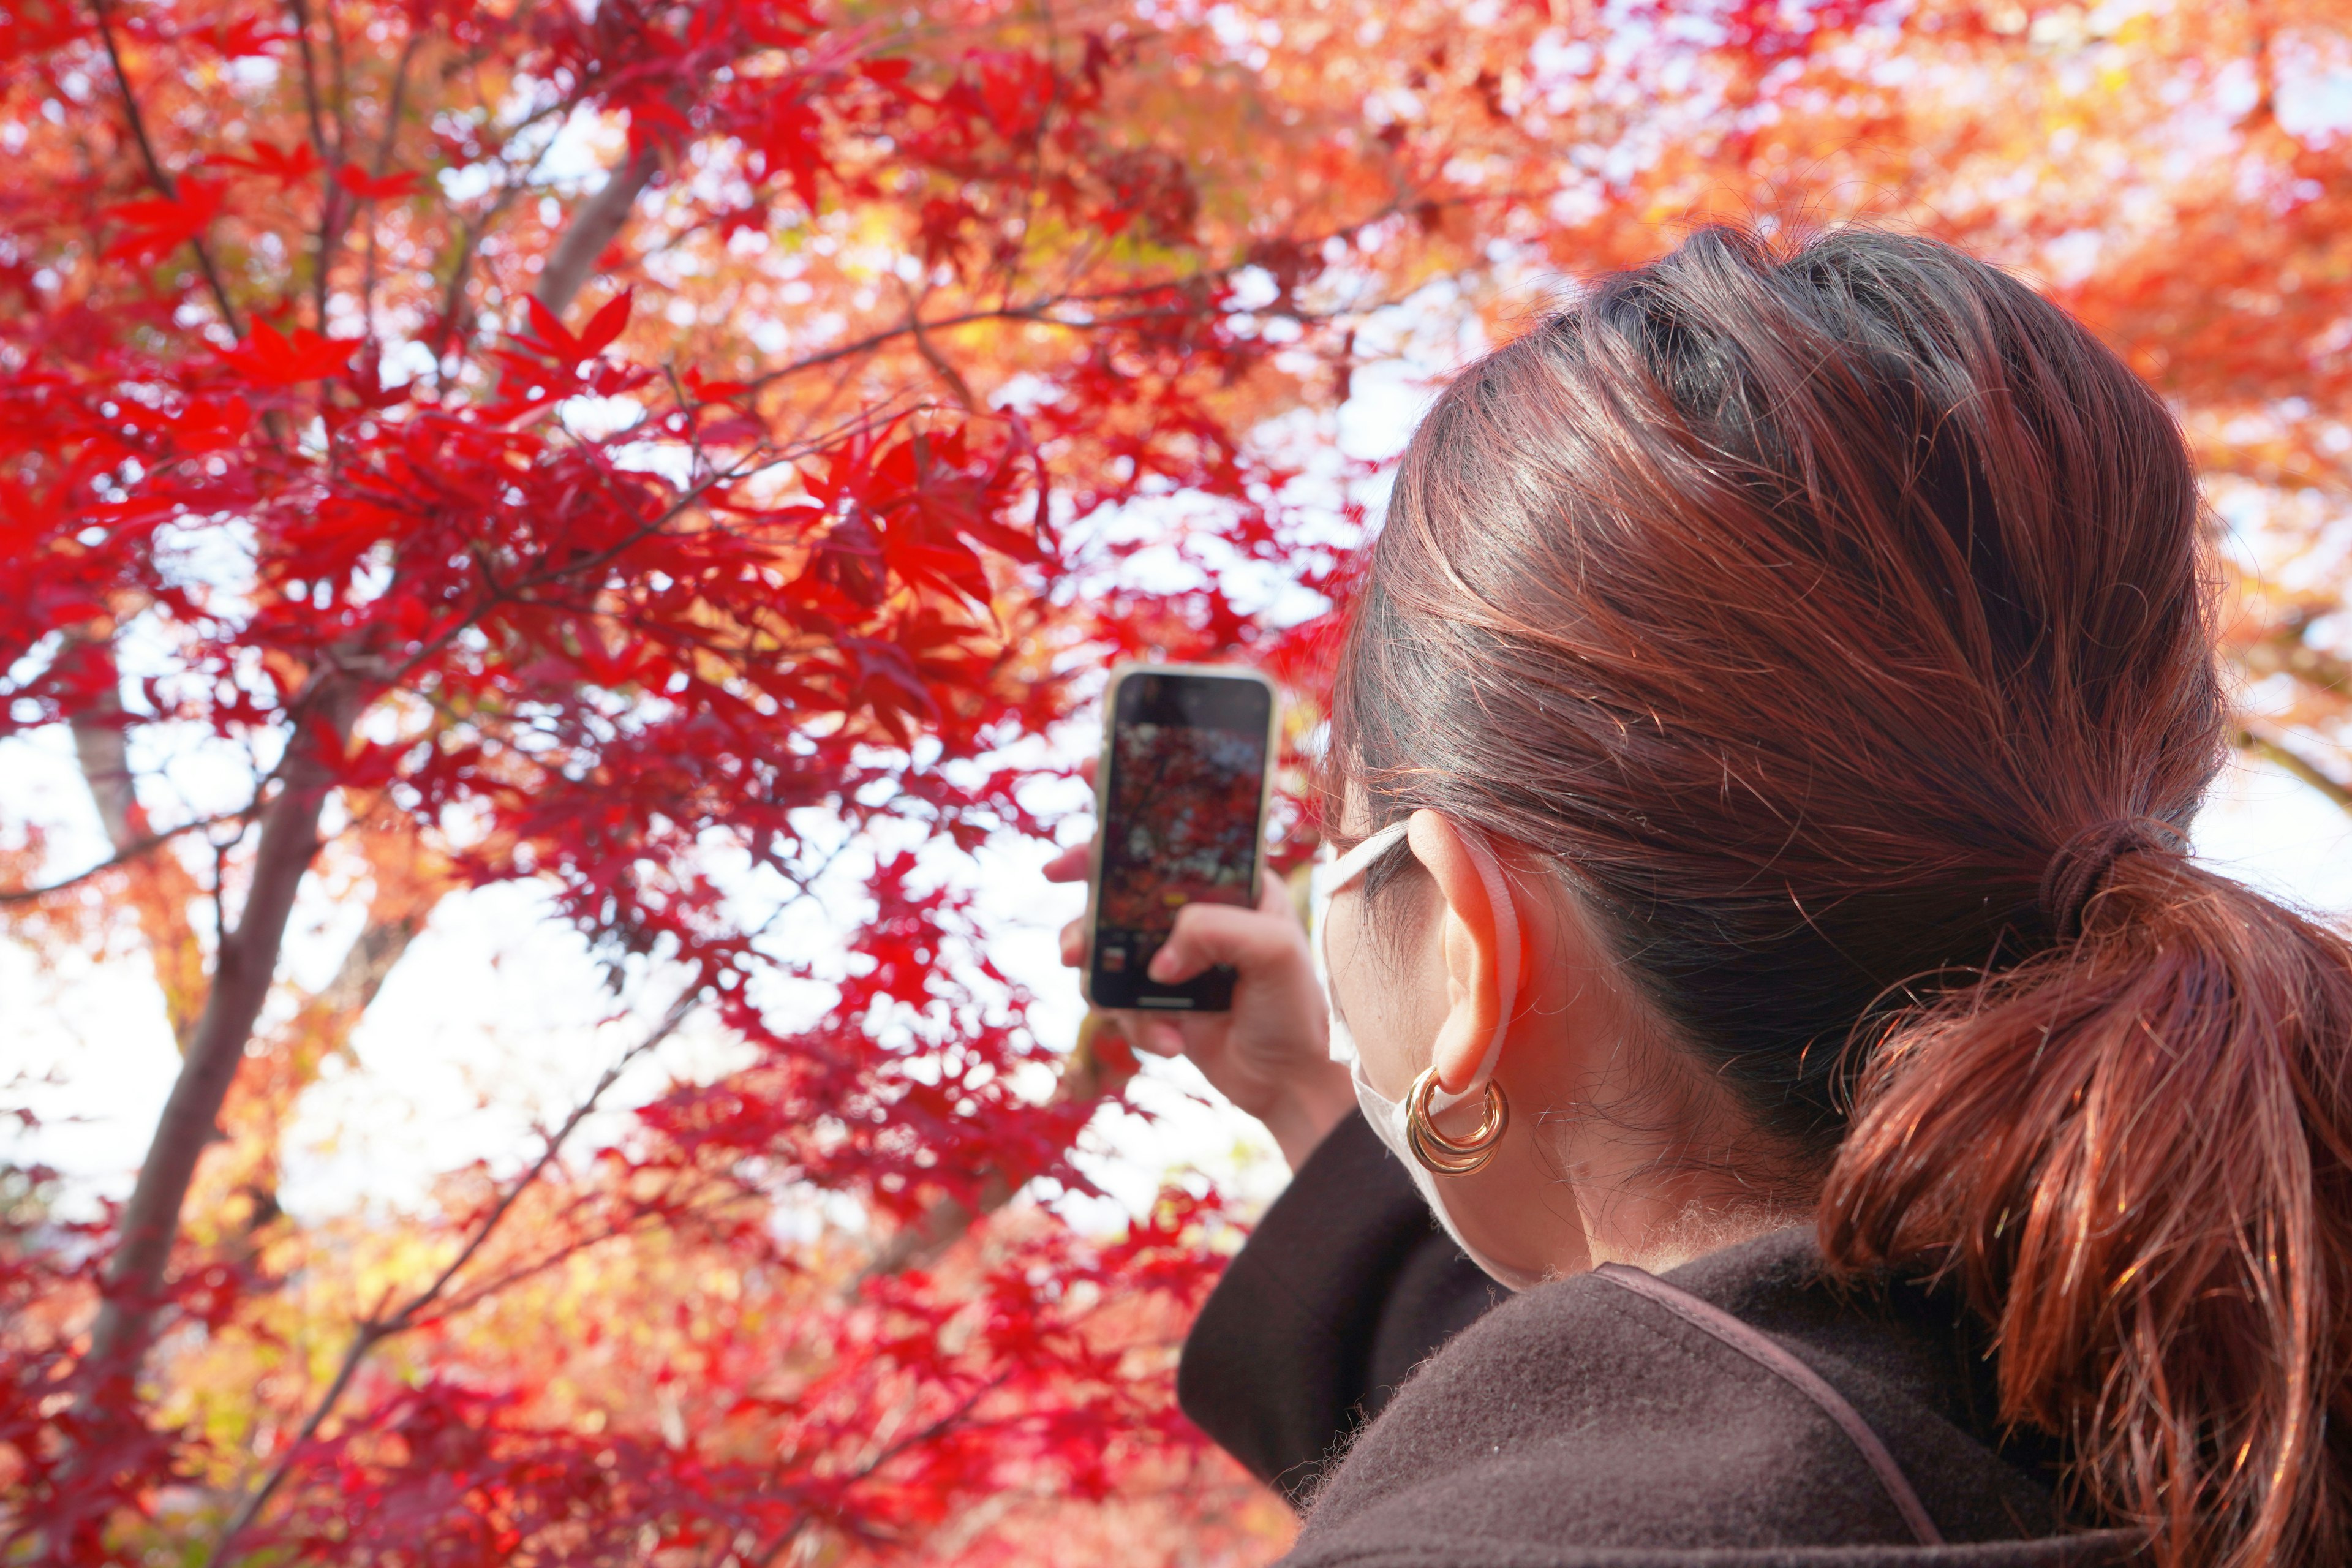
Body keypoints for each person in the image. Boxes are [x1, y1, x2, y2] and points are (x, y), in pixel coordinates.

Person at [1045, 225, 2352, 1567]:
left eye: (1353, 844)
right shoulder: (2233, 1371)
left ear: (1464, 932)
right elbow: (1686, 1417)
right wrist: (1302, 1099)